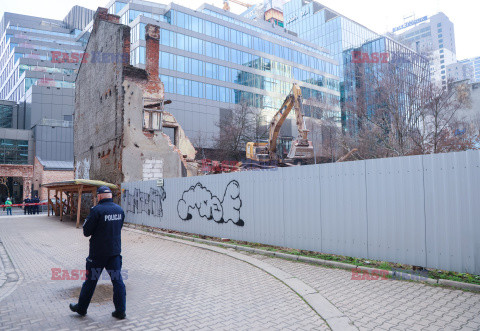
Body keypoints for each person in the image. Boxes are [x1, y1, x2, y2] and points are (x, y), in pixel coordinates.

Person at [70, 186, 126, 319]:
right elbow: (119, 227)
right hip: (114, 253)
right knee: (118, 281)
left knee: (90, 281)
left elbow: (86, 232)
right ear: (110, 196)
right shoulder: (119, 210)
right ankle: (120, 311)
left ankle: (82, 308)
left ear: (99, 196)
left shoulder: (97, 211)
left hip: (97, 254)